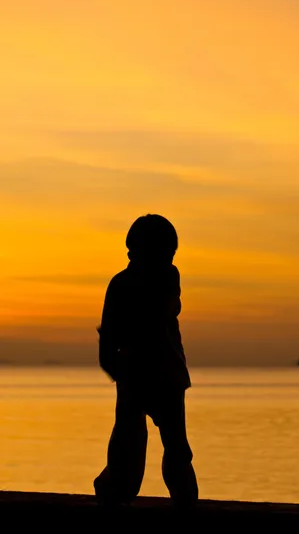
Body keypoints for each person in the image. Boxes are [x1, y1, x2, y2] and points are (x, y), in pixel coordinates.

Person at [94, 214, 198, 505]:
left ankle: (185, 501)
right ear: (132, 252)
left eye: (168, 254)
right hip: (136, 375)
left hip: (166, 375)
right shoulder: (122, 284)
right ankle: (113, 489)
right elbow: (110, 332)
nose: (166, 259)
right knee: (127, 446)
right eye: (159, 252)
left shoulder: (168, 277)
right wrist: (115, 368)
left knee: (176, 448)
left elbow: (161, 311)